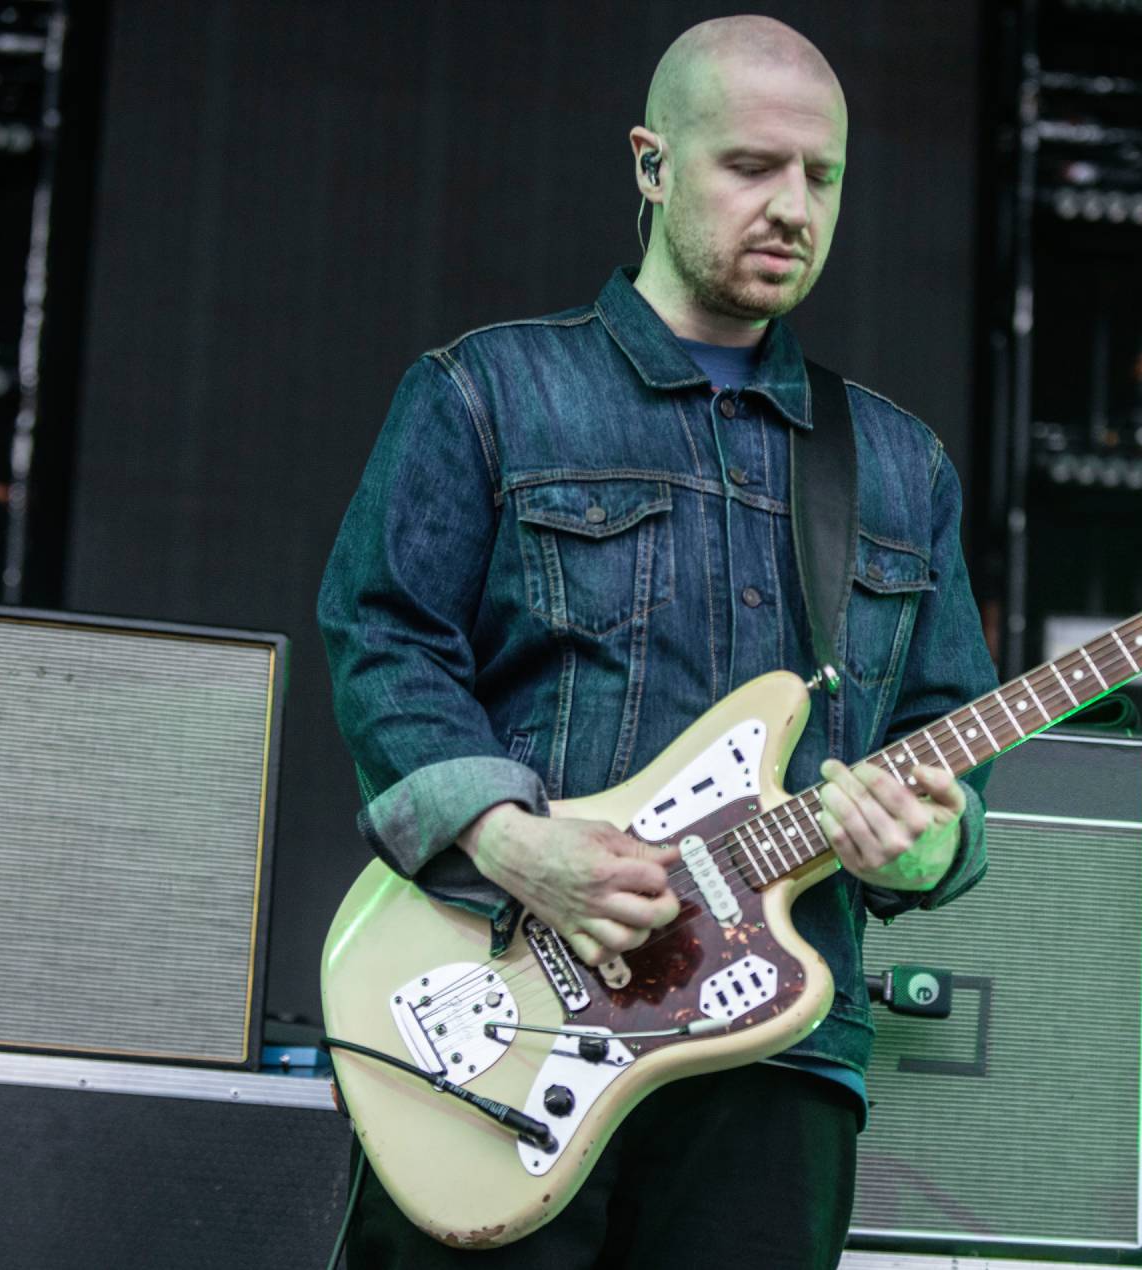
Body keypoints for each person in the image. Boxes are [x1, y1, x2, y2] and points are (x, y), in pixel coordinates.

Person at [317, 15, 998, 1268]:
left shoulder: (901, 468)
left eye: (822, 175)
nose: (791, 204)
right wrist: (518, 847)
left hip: (776, 1051)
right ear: (650, 163)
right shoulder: (489, 393)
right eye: (751, 165)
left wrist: (921, 845)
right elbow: (383, 640)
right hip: (508, 1018)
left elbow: (950, 747)